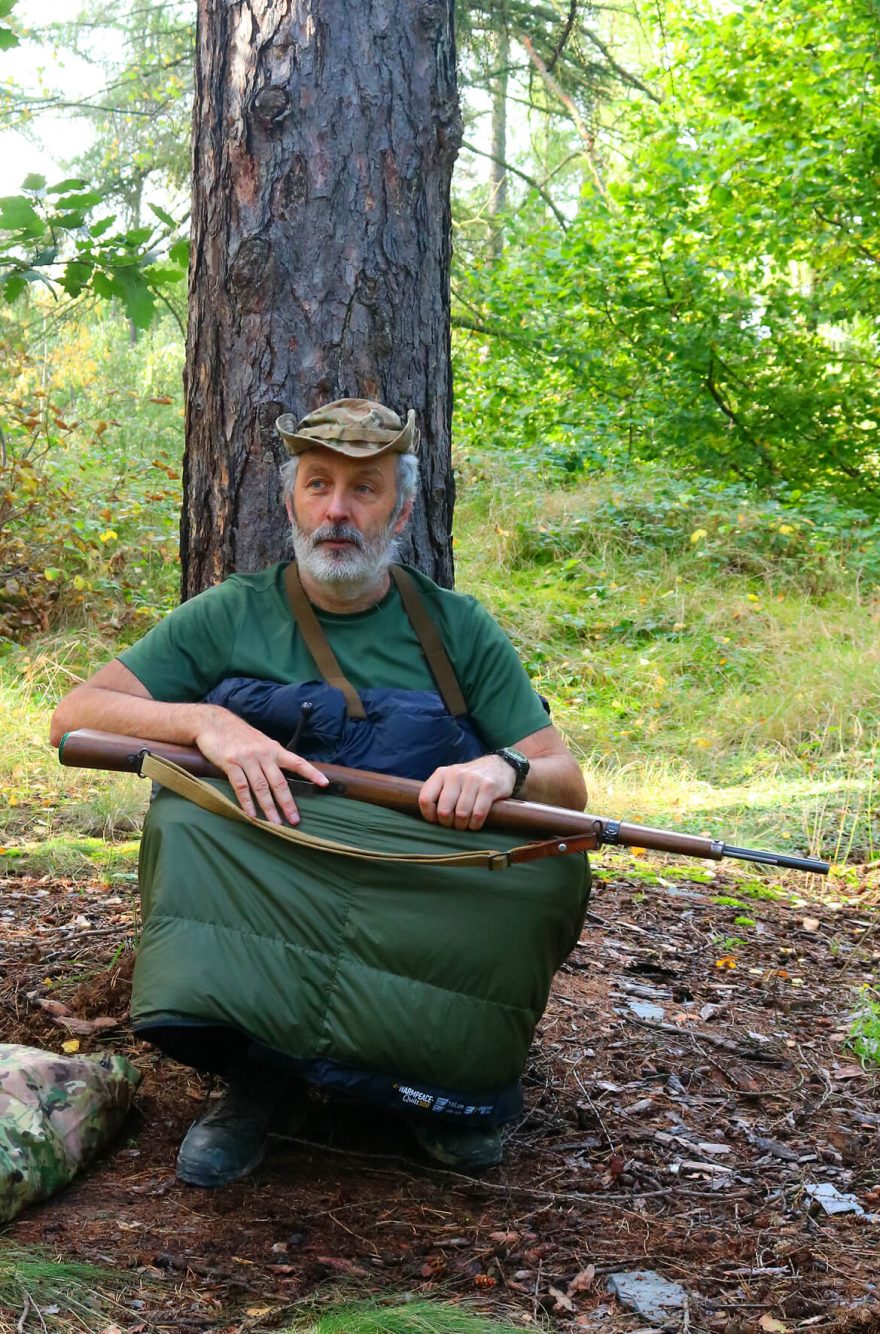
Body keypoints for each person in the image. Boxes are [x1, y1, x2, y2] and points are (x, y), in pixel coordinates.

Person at [50, 398, 590, 1188]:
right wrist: (207, 724)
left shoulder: (457, 628)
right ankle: (258, 1079)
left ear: (401, 507)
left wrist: (500, 769)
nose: (337, 510)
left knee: (551, 869)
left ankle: (440, 1087)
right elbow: (73, 715)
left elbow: (566, 782)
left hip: (415, 875)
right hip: (282, 867)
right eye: (318, 485)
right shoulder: (233, 611)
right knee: (187, 819)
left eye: (364, 488)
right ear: (292, 501)